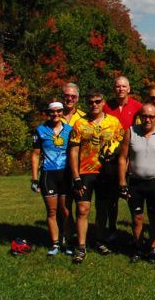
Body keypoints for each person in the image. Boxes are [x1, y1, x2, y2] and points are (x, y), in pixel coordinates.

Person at [69, 92, 124, 264]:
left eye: (98, 101)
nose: (94, 104)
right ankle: (81, 246)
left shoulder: (114, 122)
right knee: (82, 209)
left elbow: (122, 144)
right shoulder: (79, 123)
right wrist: (75, 176)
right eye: (91, 102)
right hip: (85, 171)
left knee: (102, 209)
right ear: (87, 103)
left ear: (103, 102)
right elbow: (73, 151)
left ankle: (100, 240)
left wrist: (114, 157)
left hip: (106, 172)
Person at [118, 103, 155, 264]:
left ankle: (152, 249)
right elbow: (122, 158)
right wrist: (122, 182)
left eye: (151, 116)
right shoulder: (131, 132)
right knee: (137, 217)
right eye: (144, 116)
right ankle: (138, 248)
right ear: (140, 116)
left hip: (154, 182)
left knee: (153, 217)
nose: (148, 119)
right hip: (135, 182)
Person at [100, 76, 141, 246]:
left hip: (131, 157)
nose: (121, 89)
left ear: (129, 89)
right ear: (114, 88)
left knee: (133, 197)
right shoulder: (106, 106)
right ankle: (112, 229)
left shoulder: (137, 107)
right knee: (112, 198)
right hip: (111, 158)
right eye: (117, 86)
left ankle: (136, 234)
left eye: (124, 86)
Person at [31, 100, 73, 256]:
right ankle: (55, 243)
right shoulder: (41, 130)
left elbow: (74, 153)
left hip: (65, 174)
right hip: (48, 174)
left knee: (66, 211)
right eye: (52, 112)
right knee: (52, 211)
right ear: (47, 113)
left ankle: (66, 241)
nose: (55, 114)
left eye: (58, 111)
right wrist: (34, 178)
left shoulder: (69, 129)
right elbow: (35, 155)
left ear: (62, 112)